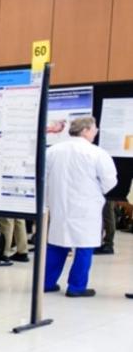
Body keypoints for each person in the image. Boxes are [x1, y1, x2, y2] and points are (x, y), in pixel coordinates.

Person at [44, 117, 117, 298]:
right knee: (85, 246)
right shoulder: (96, 153)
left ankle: (46, 282)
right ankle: (76, 287)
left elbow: (42, 178)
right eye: (94, 129)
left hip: (59, 204)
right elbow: (110, 181)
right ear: (84, 130)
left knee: (57, 244)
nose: (96, 132)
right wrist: (95, 191)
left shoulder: (53, 151)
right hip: (87, 207)